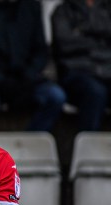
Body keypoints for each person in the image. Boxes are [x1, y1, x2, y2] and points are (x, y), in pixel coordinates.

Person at [0, 0, 66, 134]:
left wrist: (28, 76)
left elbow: (41, 51)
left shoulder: (31, 6)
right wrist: (0, 80)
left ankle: (30, 144)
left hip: (24, 79)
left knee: (55, 96)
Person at [51, 0, 111, 132]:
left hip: (107, 70)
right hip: (77, 72)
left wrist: (81, 31)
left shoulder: (107, 8)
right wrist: (100, 40)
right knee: (95, 92)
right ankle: (88, 145)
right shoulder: (63, 11)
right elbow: (65, 44)